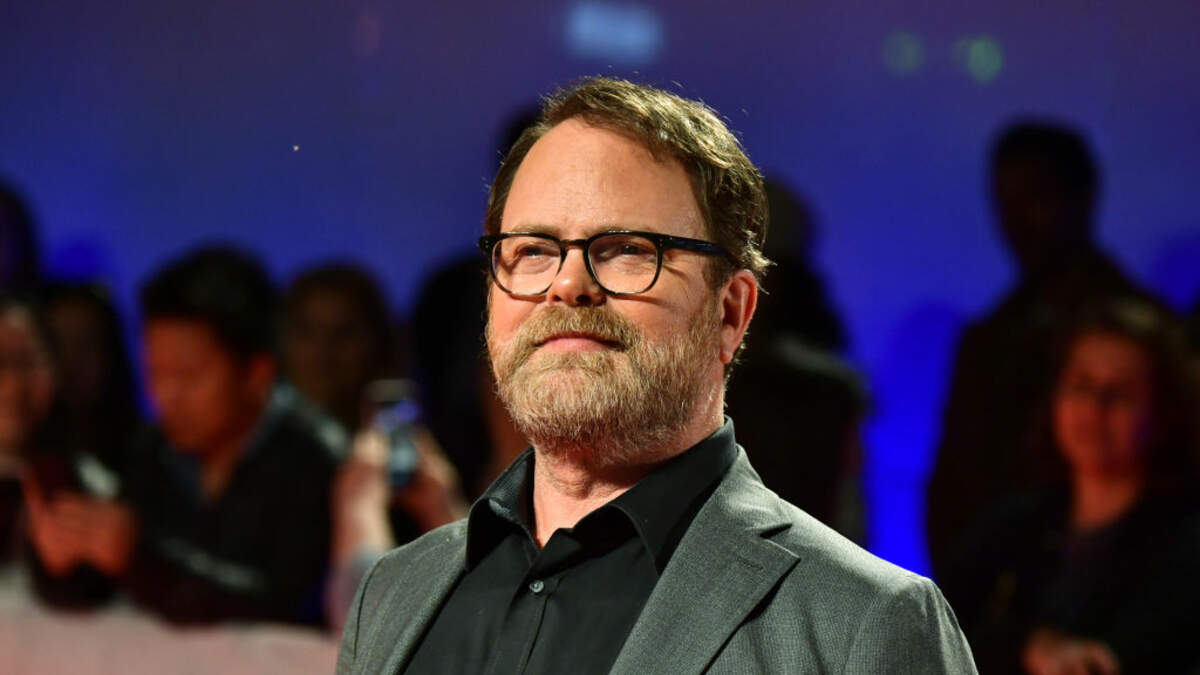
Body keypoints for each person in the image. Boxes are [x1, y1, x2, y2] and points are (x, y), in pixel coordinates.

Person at [338, 77, 974, 673]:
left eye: (626, 250)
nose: (567, 284)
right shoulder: (394, 594)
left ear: (731, 312)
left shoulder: (863, 625)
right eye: (532, 250)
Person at [926, 121, 1165, 579]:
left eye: (1034, 199)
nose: (1016, 223)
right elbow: (952, 485)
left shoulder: (1145, 336)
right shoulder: (989, 337)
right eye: (1005, 203)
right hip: (998, 585)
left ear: (1082, 198)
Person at [941, 299, 1200, 674]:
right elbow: (935, 632)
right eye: (1082, 385)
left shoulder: (1185, 545)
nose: (1095, 407)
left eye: (1120, 392)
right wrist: (1025, 646)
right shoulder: (1012, 525)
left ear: (1163, 411)